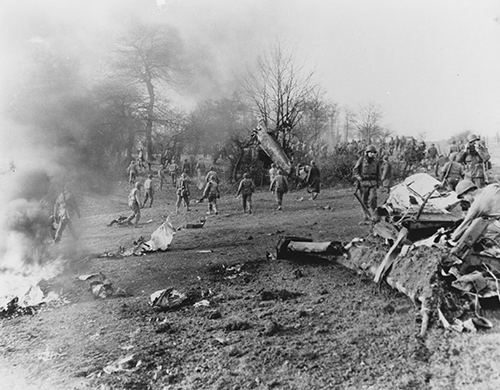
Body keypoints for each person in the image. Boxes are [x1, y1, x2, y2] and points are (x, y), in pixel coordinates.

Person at [353, 144, 380, 220]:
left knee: (373, 199)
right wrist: (359, 178)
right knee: (363, 200)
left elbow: (378, 173)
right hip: (363, 183)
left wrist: (378, 182)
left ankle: (374, 214)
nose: (372, 154)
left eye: (374, 152)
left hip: (373, 182)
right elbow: (355, 170)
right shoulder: (361, 160)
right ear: (367, 153)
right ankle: (365, 215)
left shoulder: (376, 161)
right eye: (370, 152)